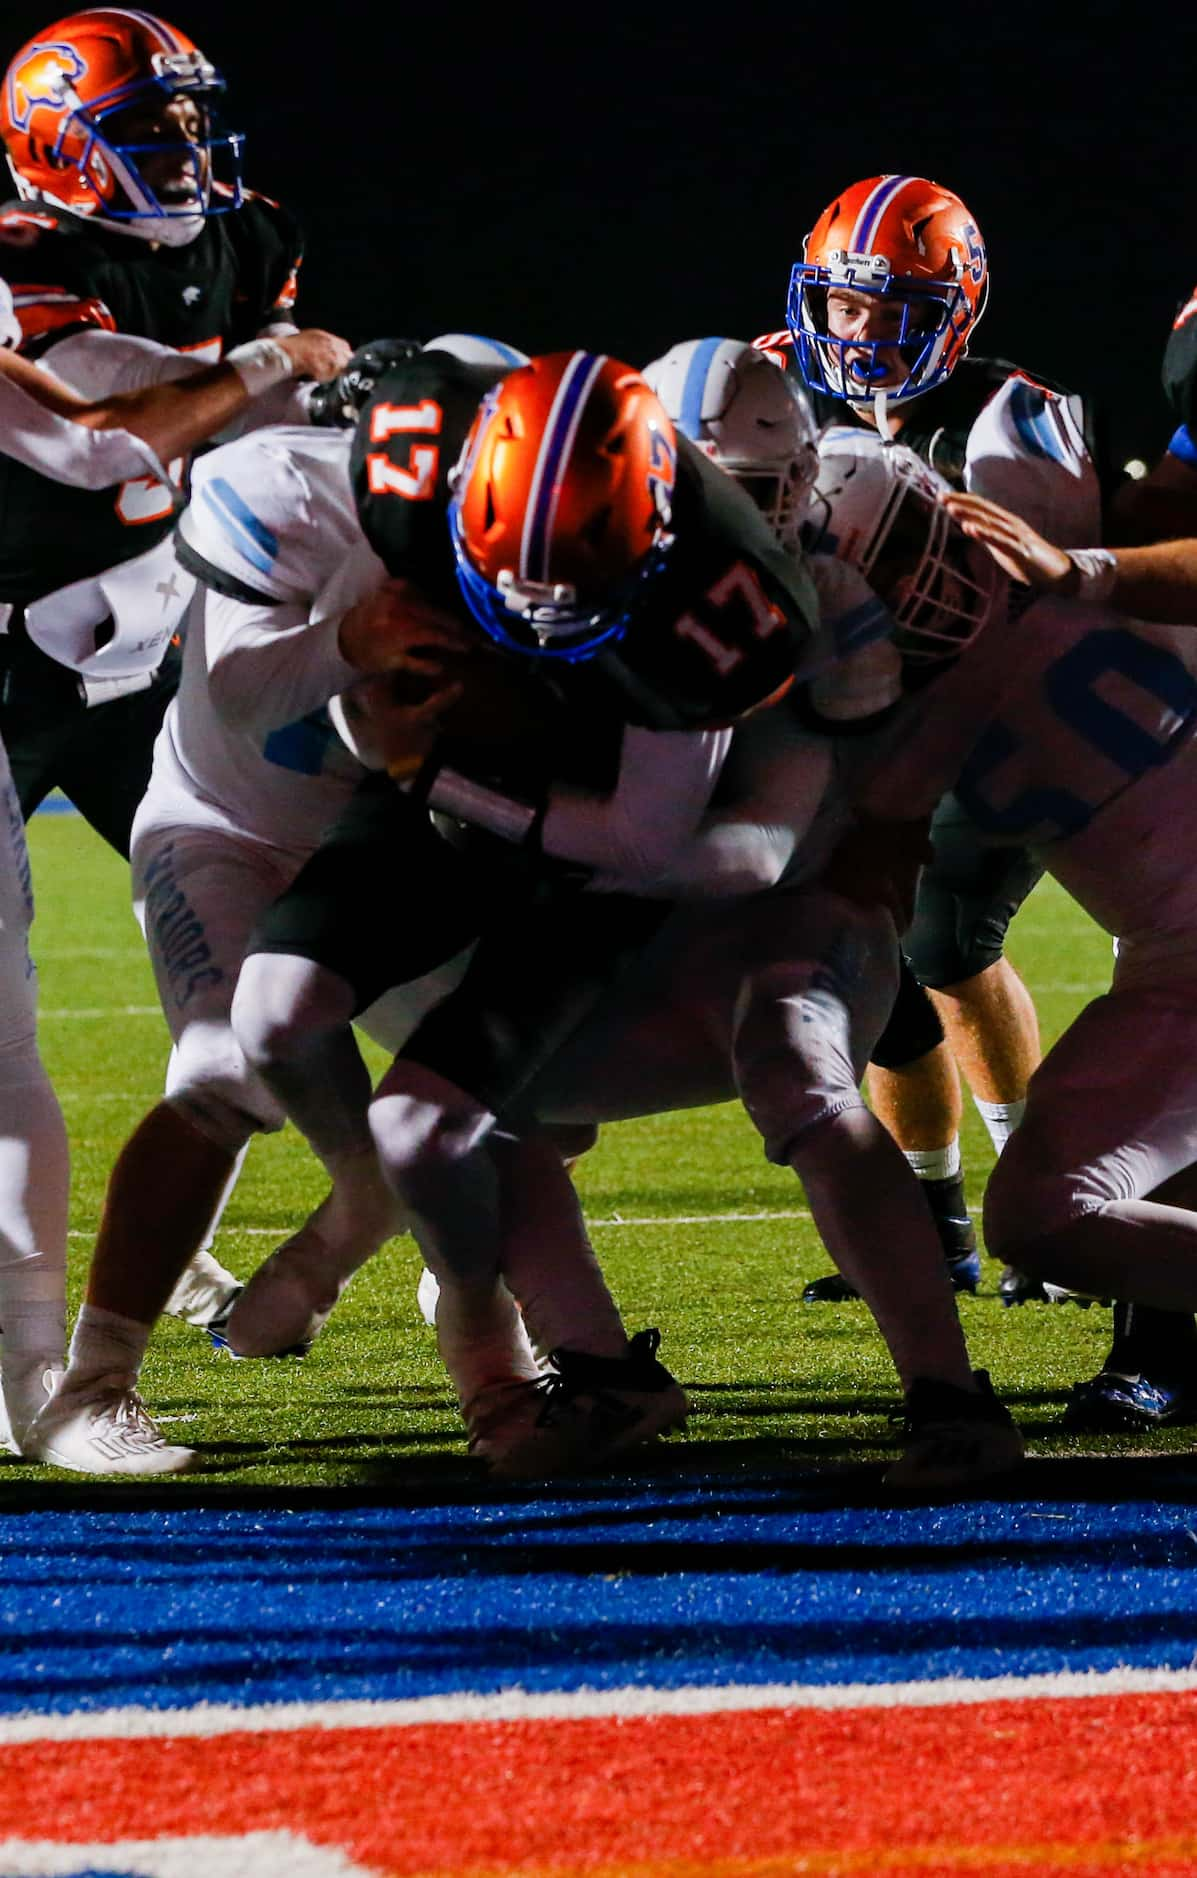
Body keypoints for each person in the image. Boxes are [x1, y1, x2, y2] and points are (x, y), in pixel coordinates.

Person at [222, 344, 824, 1474]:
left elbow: (643, 838)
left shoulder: (722, 593)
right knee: (273, 1014)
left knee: (425, 1125)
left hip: (579, 848)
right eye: (513, 577)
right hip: (451, 791)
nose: (542, 611)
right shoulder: (409, 456)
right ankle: (364, 1208)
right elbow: (340, 685)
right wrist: (403, 732)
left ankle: (478, 1325)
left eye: (579, 583)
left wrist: (437, 772)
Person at [0, 6, 353, 1341]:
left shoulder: (247, 230)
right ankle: (41, 1332)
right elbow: (110, 439)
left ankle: (179, 1225)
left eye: (194, 118)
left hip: (154, 650)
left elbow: (254, 425)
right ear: (56, 146)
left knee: (246, 965)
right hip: (15, 658)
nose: (188, 148)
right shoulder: (20, 256)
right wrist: (269, 367)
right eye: (152, 125)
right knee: (1, 999)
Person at [756, 174, 1106, 1306]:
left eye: (889, 308)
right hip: (857, 728)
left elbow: (1041, 615)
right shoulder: (776, 395)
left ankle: (1053, 1202)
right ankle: (931, 1221)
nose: (857, 332)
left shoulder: (1012, 421)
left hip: (1006, 718)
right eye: (843, 306)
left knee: (947, 936)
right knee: (869, 963)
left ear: (954, 309)